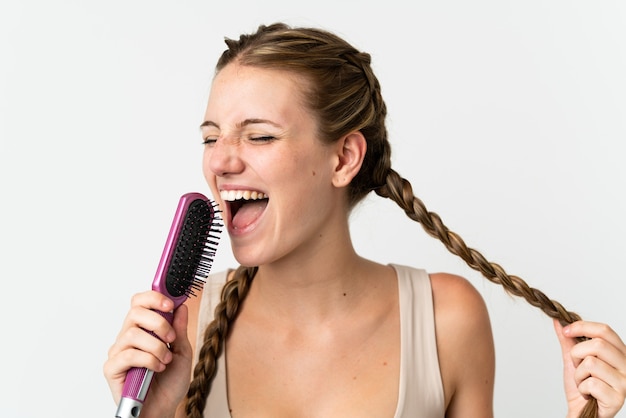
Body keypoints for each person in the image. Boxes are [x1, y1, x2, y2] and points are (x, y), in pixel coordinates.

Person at [104, 23, 626, 418]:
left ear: (343, 158)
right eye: (211, 137)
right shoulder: (180, 329)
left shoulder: (446, 320)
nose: (219, 161)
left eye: (259, 135)